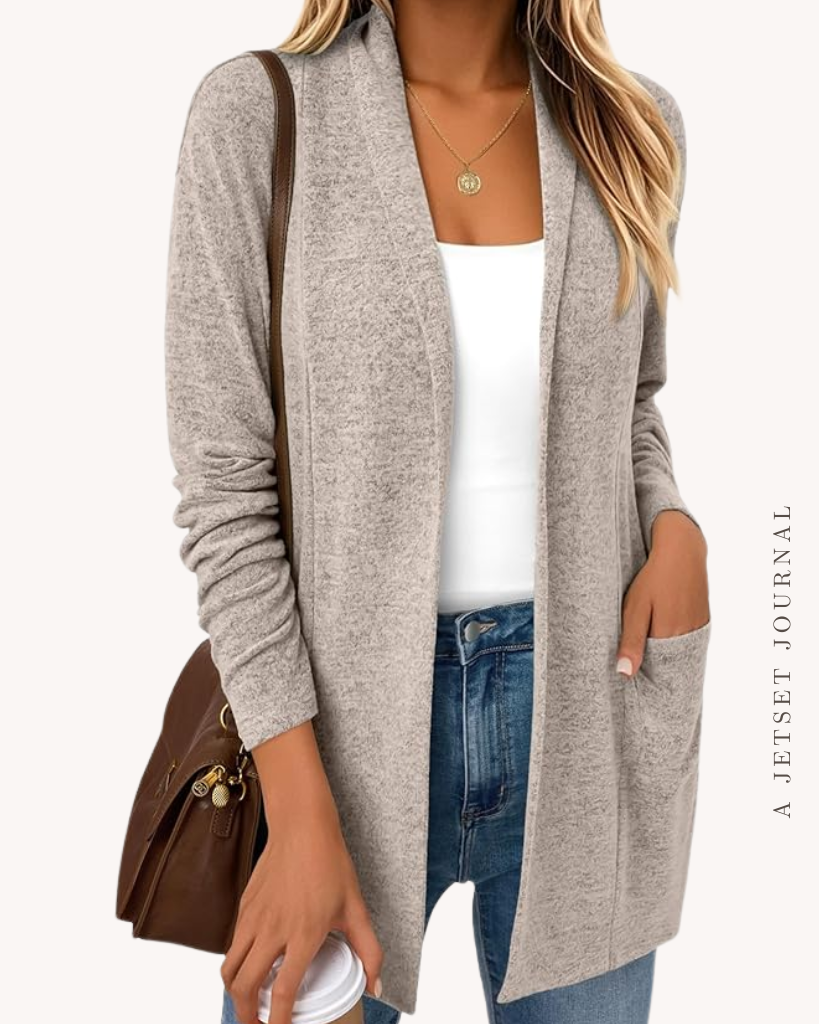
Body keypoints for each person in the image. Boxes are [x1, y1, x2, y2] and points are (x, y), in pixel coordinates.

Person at [163, 2, 712, 1022]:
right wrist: (298, 801)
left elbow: (631, 403)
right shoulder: (259, 115)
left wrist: (672, 523)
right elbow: (225, 489)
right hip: (333, 731)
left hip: (588, 710)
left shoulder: (633, 125)